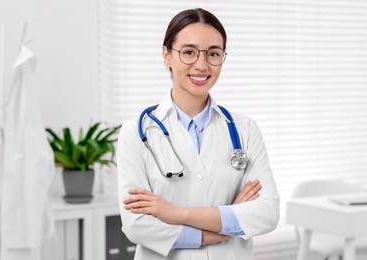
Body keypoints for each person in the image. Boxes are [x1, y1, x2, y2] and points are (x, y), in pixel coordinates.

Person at [117, 8, 280, 260]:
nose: (202, 65)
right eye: (189, 52)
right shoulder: (136, 133)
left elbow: (267, 213)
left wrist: (175, 214)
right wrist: (222, 229)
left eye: (213, 53)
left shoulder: (245, 130)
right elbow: (137, 225)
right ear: (166, 55)